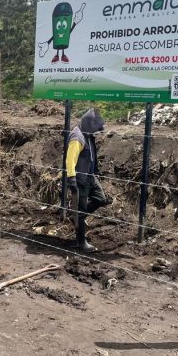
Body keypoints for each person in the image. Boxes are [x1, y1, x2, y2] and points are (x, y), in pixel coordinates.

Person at [66, 108, 112, 252]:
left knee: (100, 199)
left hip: (90, 176)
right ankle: (81, 242)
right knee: (80, 211)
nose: (97, 132)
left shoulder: (88, 135)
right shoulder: (77, 137)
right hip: (80, 179)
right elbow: (70, 160)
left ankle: (77, 217)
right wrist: (72, 179)